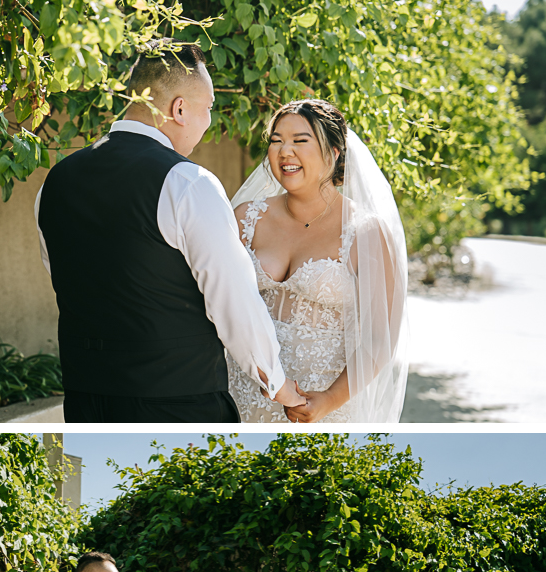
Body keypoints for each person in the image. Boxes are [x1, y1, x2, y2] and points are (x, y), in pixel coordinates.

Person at [35, 40, 304, 423]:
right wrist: (278, 385)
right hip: (178, 403)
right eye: (207, 109)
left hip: (84, 402)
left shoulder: (55, 182)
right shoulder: (188, 183)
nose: (209, 122)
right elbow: (233, 302)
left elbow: (69, 280)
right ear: (179, 109)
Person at [228, 99, 409, 424]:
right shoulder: (247, 218)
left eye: (300, 140)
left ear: (334, 152)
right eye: (276, 140)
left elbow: (379, 340)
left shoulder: (365, 232)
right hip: (244, 396)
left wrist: (327, 401)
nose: (285, 151)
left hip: (324, 407)